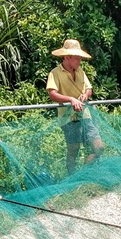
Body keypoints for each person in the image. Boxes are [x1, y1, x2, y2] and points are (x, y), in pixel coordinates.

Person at [46, 39, 104, 173]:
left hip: (85, 115)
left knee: (99, 147)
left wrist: (86, 95)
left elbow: (89, 88)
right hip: (68, 118)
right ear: (67, 57)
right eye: (76, 58)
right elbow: (52, 94)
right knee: (73, 151)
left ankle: (84, 173)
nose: (79, 61)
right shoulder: (55, 73)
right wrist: (71, 100)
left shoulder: (80, 71)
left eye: (80, 58)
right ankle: (72, 178)